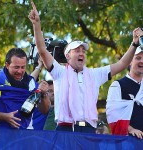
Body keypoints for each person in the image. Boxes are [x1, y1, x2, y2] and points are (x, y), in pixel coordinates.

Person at [28, 1, 143, 133]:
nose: (81, 53)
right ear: (68, 56)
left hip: (88, 131)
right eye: (77, 50)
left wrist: (134, 44)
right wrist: (37, 25)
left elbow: (122, 64)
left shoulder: (95, 74)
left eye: (83, 51)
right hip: (66, 130)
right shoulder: (60, 72)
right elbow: (42, 50)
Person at [0, 48, 50, 129]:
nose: (20, 71)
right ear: (7, 65)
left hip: (26, 135)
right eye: (16, 67)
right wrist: (3, 116)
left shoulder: (31, 83)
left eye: (23, 67)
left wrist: (44, 95)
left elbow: (44, 110)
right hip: (1, 135)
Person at [106, 46, 143, 139]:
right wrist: (131, 130)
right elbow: (112, 114)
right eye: (138, 58)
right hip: (126, 141)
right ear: (130, 61)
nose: (142, 61)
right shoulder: (117, 85)